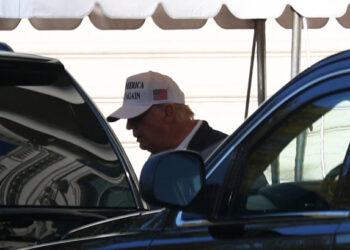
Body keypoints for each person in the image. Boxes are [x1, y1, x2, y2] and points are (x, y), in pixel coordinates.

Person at [107, 71, 227, 160]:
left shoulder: (224, 154)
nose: (129, 126)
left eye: (137, 117)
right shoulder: (159, 157)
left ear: (168, 113)